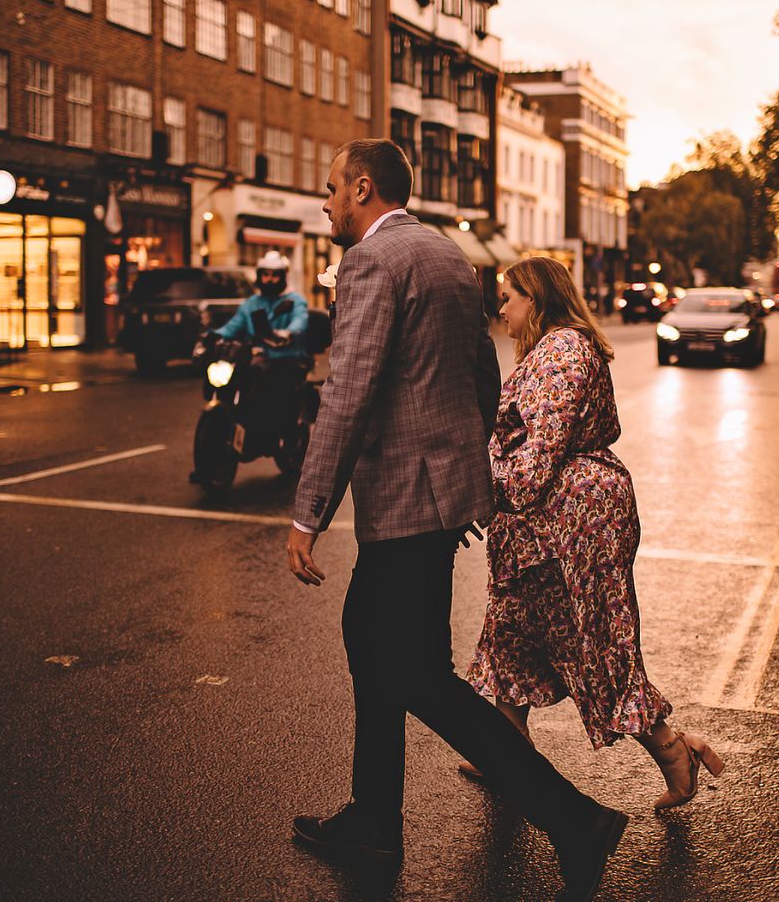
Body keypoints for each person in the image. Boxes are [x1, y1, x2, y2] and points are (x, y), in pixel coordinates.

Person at [285, 140, 628, 902]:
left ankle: (575, 820)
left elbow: (350, 391)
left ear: (363, 188)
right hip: (437, 499)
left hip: (406, 500)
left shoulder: (372, 262)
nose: (327, 201)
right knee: (370, 645)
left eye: (332, 187)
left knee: (415, 674)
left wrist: (308, 513)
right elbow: (483, 375)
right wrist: (469, 477)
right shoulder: (445, 253)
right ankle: (373, 817)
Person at [463, 256, 724, 811]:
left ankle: (674, 749)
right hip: (540, 526)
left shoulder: (564, 350)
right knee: (512, 633)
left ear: (536, 298)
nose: (500, 307)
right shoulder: (544, 351)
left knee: (600, 641)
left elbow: (534, 456)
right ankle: (506, 751)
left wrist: (476, 489)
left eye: (509, 296)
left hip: (577, 522)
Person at [214, 251, 310, 433]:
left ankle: (280, 432)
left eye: (274, 275)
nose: (269, 279)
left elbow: (300, 321)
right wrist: (213, 335)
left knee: (276, 392)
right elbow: (233, 327)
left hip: (285, 357)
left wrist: (287, 333)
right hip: (255, 358)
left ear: (283, 277)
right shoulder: (251, 303)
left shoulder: (295, 300)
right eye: (265, 274)